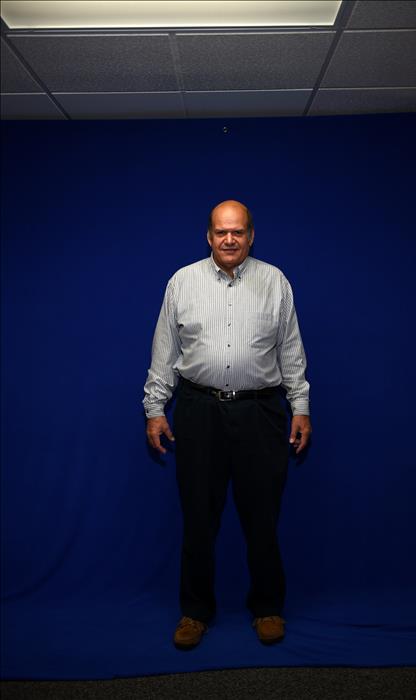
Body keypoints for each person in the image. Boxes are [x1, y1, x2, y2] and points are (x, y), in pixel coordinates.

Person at [143, 200, 311, 649]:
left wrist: (301, 406)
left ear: (251, 236)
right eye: (221, 232)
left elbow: (290, 350)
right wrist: (155, 409)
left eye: (238, 231)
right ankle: (195, 612)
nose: (230, 239)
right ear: (209, 236)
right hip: (199, 412)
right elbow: (165, 351)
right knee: (199, 517)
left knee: (263, 518)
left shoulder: (275, 282)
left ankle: (268, 607)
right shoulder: (182, 282)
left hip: (261, 413)